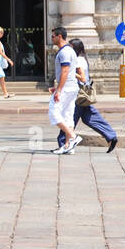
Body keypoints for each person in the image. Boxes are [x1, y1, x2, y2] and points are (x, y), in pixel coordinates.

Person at [57, 37, 119, 153]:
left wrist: (70, 73)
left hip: (78, 94)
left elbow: (83, 78)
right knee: (89, 117)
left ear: (75, 48)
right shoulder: (81, 59)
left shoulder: (78, 60)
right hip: (82, 93)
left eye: (70, 47)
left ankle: (64, 143)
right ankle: (111, 136)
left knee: (69, 118)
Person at [48, 26, 80, 154]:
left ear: (59, 36)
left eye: (53, 36)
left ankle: (73, 137)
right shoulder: (70, 50)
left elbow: (65, 71)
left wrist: (59, 90)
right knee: (68, 116)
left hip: (66, 88)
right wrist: (58, 87)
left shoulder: (64, 52)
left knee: (53, 112)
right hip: (71, 87)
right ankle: (68, 146)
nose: (51, 39)